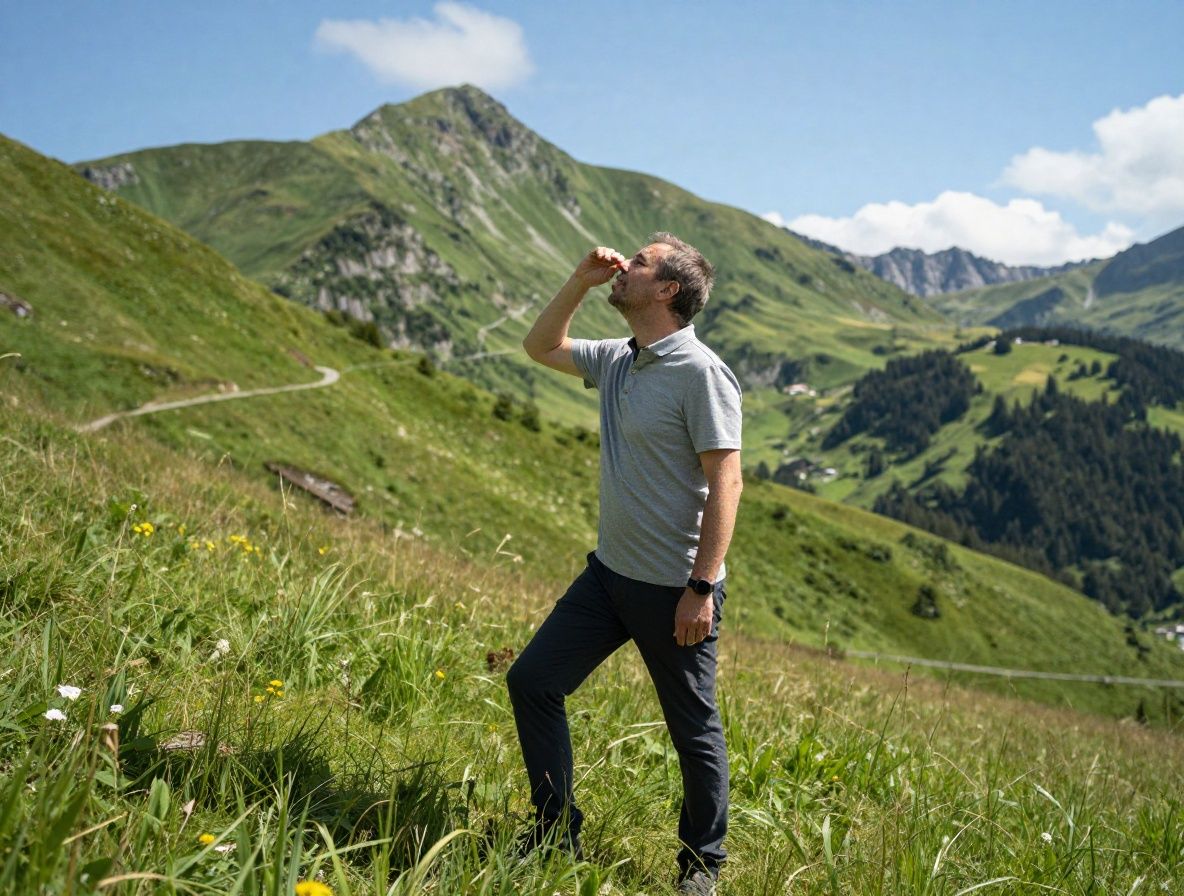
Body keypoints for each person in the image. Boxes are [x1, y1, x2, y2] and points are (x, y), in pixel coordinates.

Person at [507, 233, 743, 895]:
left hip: (674, 589)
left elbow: (727, 482)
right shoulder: (618, 358)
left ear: (667, 290)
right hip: (609, 577)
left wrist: (701, 586)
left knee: (692, 731)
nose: (622, 264)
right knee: (532, 681)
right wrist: (579, 282)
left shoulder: (699, 372)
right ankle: (555, 833)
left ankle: (702, 869)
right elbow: (540, 347)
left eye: (638, 263)